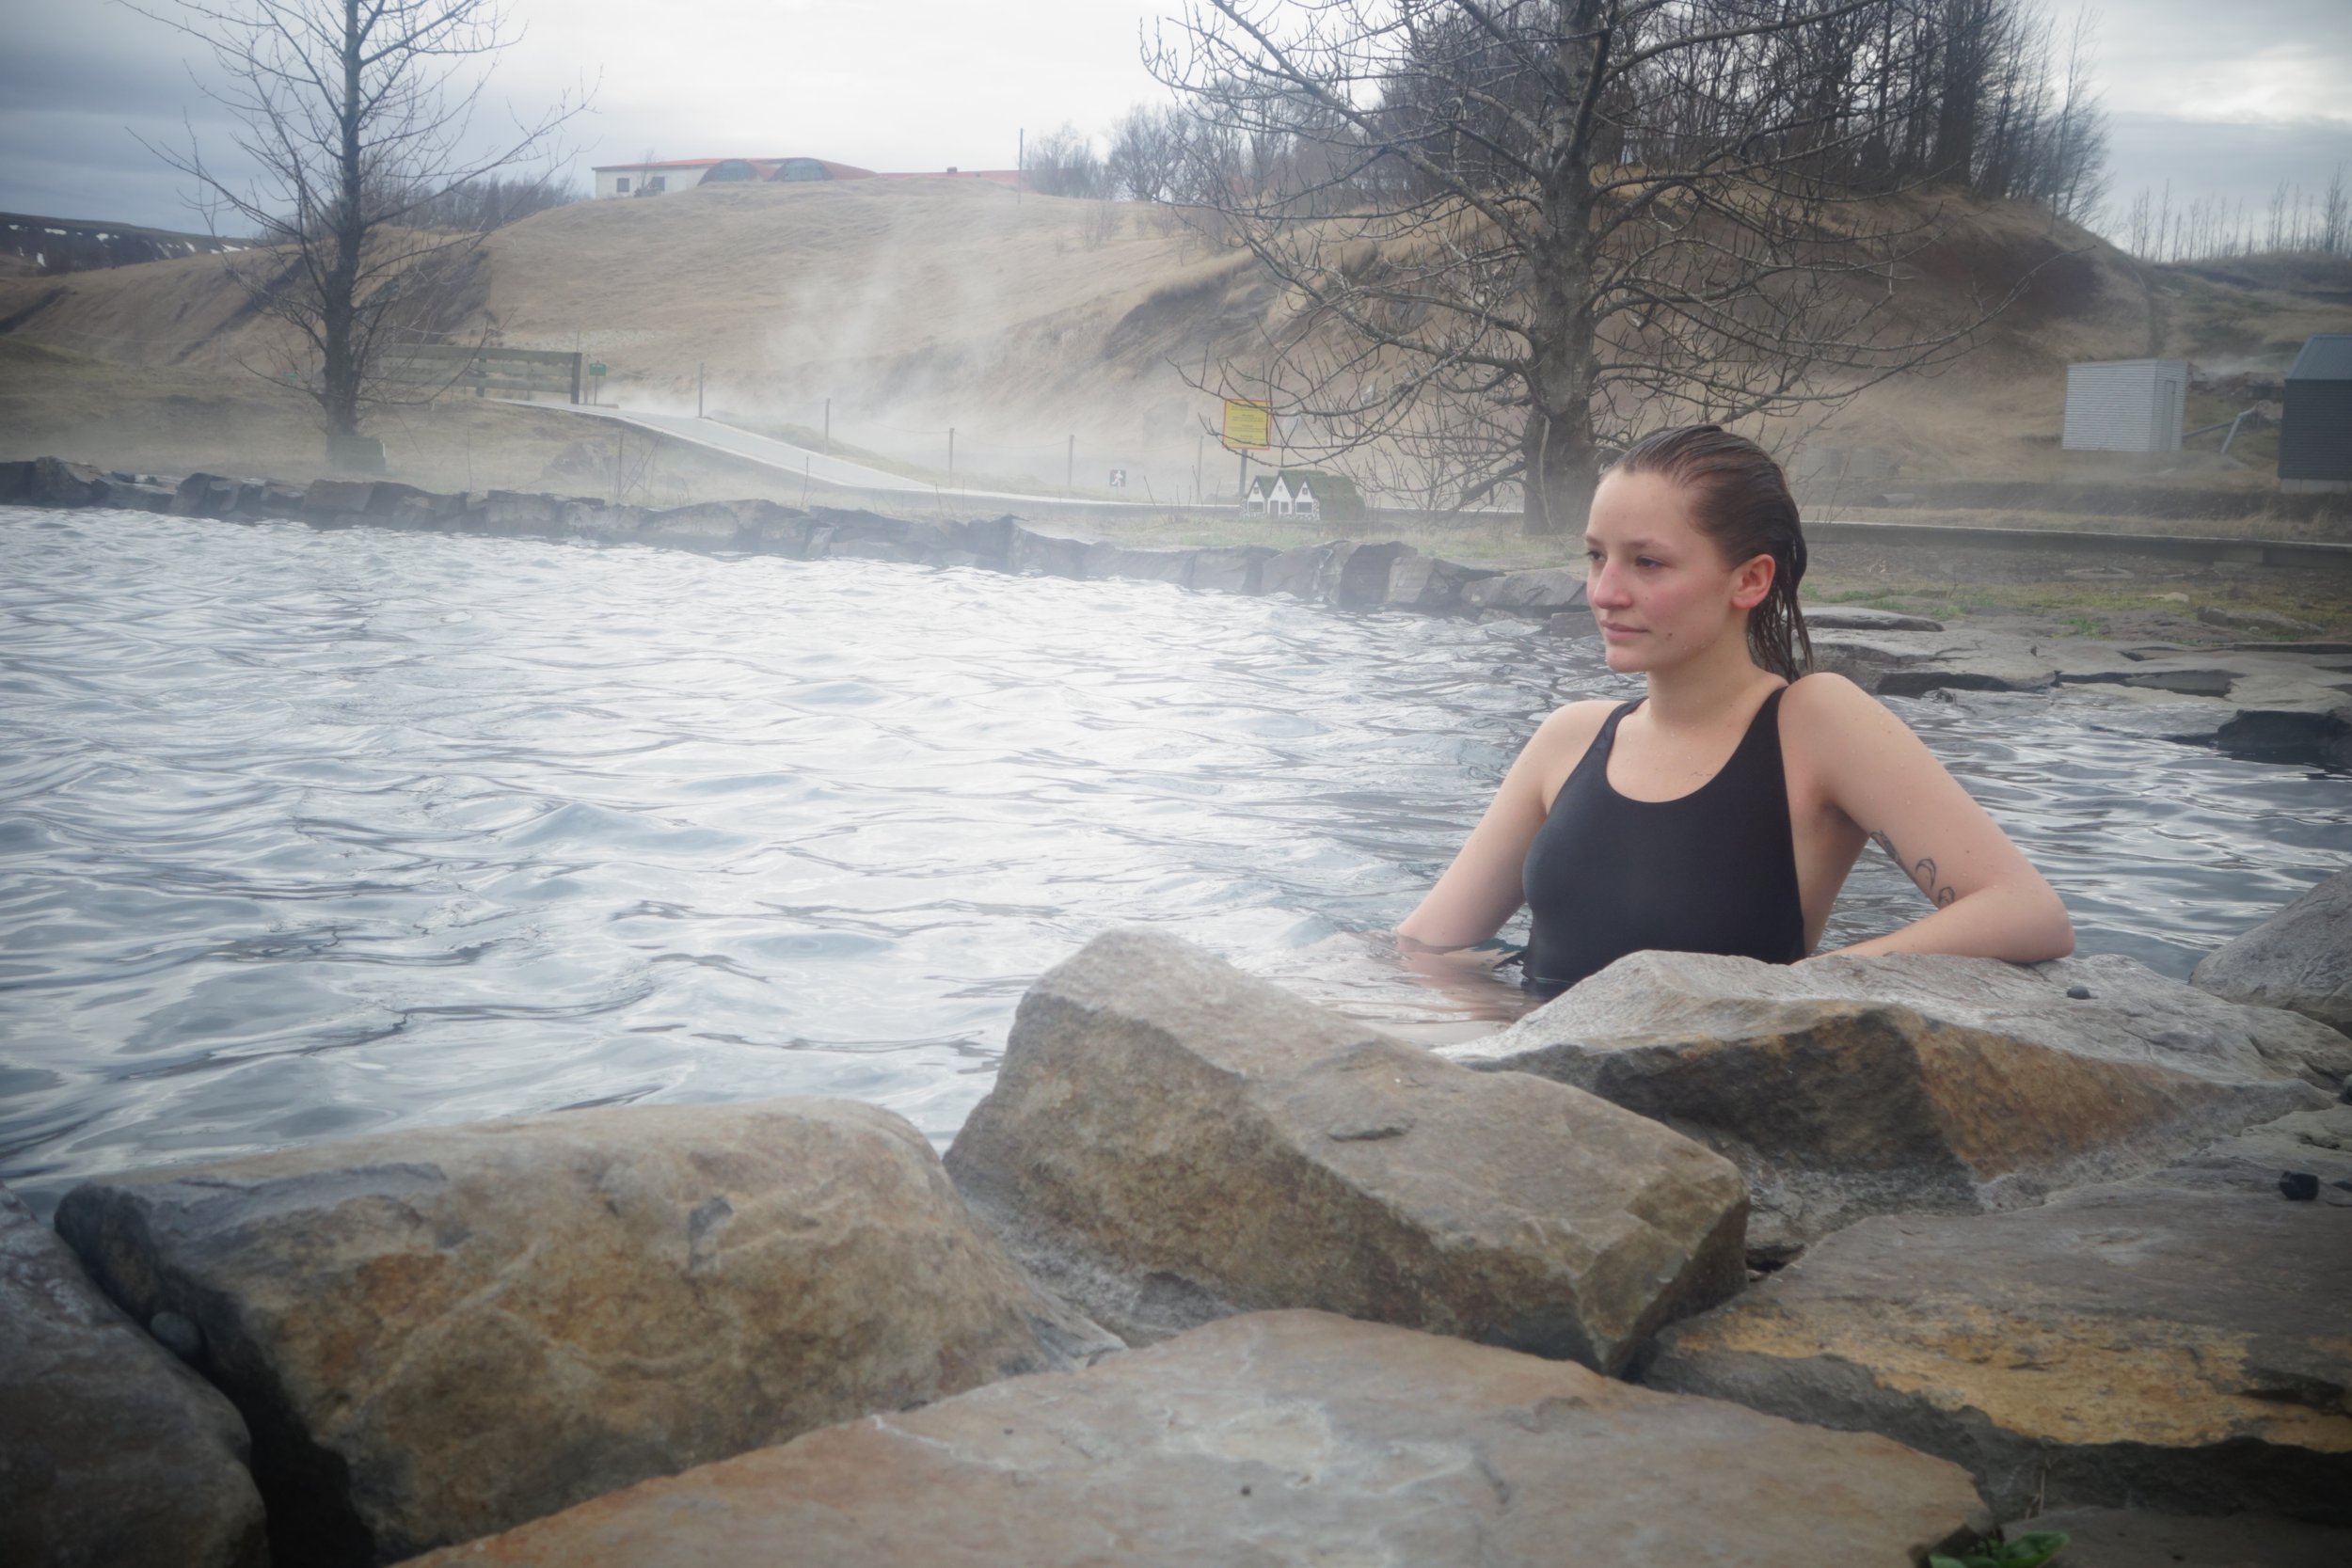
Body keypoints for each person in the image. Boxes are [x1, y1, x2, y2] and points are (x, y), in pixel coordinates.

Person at [1395, 423, 2074, 998]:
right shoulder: (1569, 737)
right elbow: (1425, 945)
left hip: (1716, 1093)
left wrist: (1796, 990)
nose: (1604, 592)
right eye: (1597, 556)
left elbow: (2026, 910)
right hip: (1535, 1080)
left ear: (1750, 579)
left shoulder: (1813, 726)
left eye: (1647, 563)